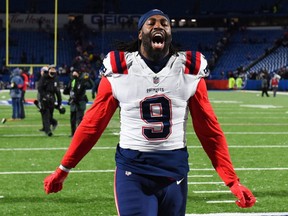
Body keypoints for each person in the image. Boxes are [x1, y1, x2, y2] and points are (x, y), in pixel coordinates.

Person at [44, 9, 256, 215]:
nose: (158, 26)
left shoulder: (188, 69)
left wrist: (232, 181)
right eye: (151, 23)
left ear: (170, 34)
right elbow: (92, 124)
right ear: (140, 34)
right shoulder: (120, 69)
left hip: (175, 173)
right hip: (134, 172)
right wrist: (64, 168)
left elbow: (209, 130)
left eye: (164, 23)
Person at [63, 70, 94, 137]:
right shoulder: (72, 81)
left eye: (75, 72)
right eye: (73, 72)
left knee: (79, 119)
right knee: (73, 119)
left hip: (80, 102)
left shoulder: (82, 81)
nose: (74, 74)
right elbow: (66, 91)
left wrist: (88, 79)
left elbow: (91, 85)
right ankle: (73, 133)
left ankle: (80, 134)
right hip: (74, 102)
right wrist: (67, 88)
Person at [37, 66, 62, 136]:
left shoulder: (55, 79)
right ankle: (48, 131)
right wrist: (45, 96)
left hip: (52, 99)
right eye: (51, 71)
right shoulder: (44, 78)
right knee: (45, 114)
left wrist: (59, 103)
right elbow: (40, 88)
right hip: (44, 99)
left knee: (50, 115)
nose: (52, 72)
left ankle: (53, 122)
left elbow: (57, 91)